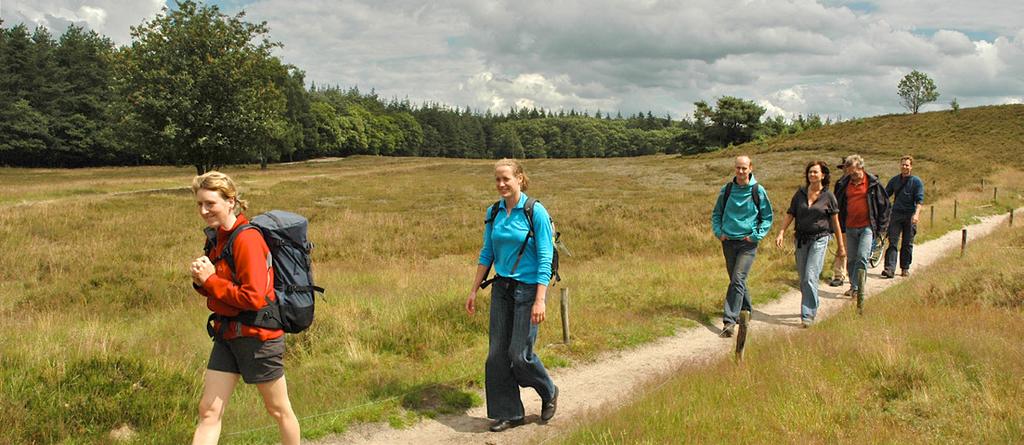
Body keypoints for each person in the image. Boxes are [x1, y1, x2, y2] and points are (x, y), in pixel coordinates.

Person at [189, 171, 300, 445]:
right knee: (209, 410)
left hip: (258, 338)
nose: (203, 211)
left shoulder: (247, 239)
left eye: (210, 204)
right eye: (200, 204)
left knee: (278, 409)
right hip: (227, 334)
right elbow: (221, 287)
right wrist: (201, 282)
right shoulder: (216, 238)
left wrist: (210, 280)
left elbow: (253, 298)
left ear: (230, 201)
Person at [466, 159, 558, 433]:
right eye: (497, 179)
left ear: (519, 178)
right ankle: (509, 413)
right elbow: (487, 253)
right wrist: (473, 289)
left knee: (519, 355)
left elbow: (545, 257)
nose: (501, 184)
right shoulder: (493, 212)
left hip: (529, 291)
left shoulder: (535, 212)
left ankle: (549, 390)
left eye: (506, 178)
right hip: (501, 290)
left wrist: (540, 299)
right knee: (496, 355)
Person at [775, 161, 846, 327]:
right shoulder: (799, 194)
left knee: (810, 276)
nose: (812, 175)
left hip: (820, 239)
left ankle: (807, 314)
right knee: (803, 278)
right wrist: (781, 232)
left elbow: (835, 223)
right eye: (810, 172)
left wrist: (841, 247)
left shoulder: (829, 196)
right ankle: (812, 303)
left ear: (823, 175)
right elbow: (790, 213)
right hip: (801, 240)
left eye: (815, 172)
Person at [711, 155, 774, 337]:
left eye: (744, 168)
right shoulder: (727, 189)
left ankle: (729, 321)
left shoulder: (758, 190)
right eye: (738, 168)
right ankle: (745, 309)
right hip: (728, 242)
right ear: (734, 168)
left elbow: (767, 217)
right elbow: (717, 213)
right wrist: (719, 232)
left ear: (751, 168)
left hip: (747, 243)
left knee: (738, 279)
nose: (741, 171)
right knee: (736, 279)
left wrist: (756, 236)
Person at [833, 155, 890, 300]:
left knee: (862, 256)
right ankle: (854, 286)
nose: (853, 176)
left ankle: (859, 289)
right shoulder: (842, 184)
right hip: (849, 226)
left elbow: (884, 206)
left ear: (862, 169)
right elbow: (835, 205)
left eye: (855, 173)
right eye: (850, 173)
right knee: (851, 259)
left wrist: (882, 228)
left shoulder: (873, 184)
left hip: (867, 227)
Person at [882, 155, 924, 278]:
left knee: (907, 243)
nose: (904, 167)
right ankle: (889, 269)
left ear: (911, 167)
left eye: (907, 165)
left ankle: (905, 268)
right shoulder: (895, 180)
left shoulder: (916, 182)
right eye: (903, 164)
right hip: (896, 214)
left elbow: (920, 201)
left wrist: (916, 215)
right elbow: (885, 195)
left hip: (910, 215)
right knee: (893, 241)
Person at [828, 157, 851, 287]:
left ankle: (853, 276)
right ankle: (839, 275)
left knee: (854, 250)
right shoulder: (840, 183)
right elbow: (835, 202)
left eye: (848, 166)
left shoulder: (860, 181)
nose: (846, 169)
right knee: (842, 247)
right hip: (843, 220)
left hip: (857, 220)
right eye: (844, 167)